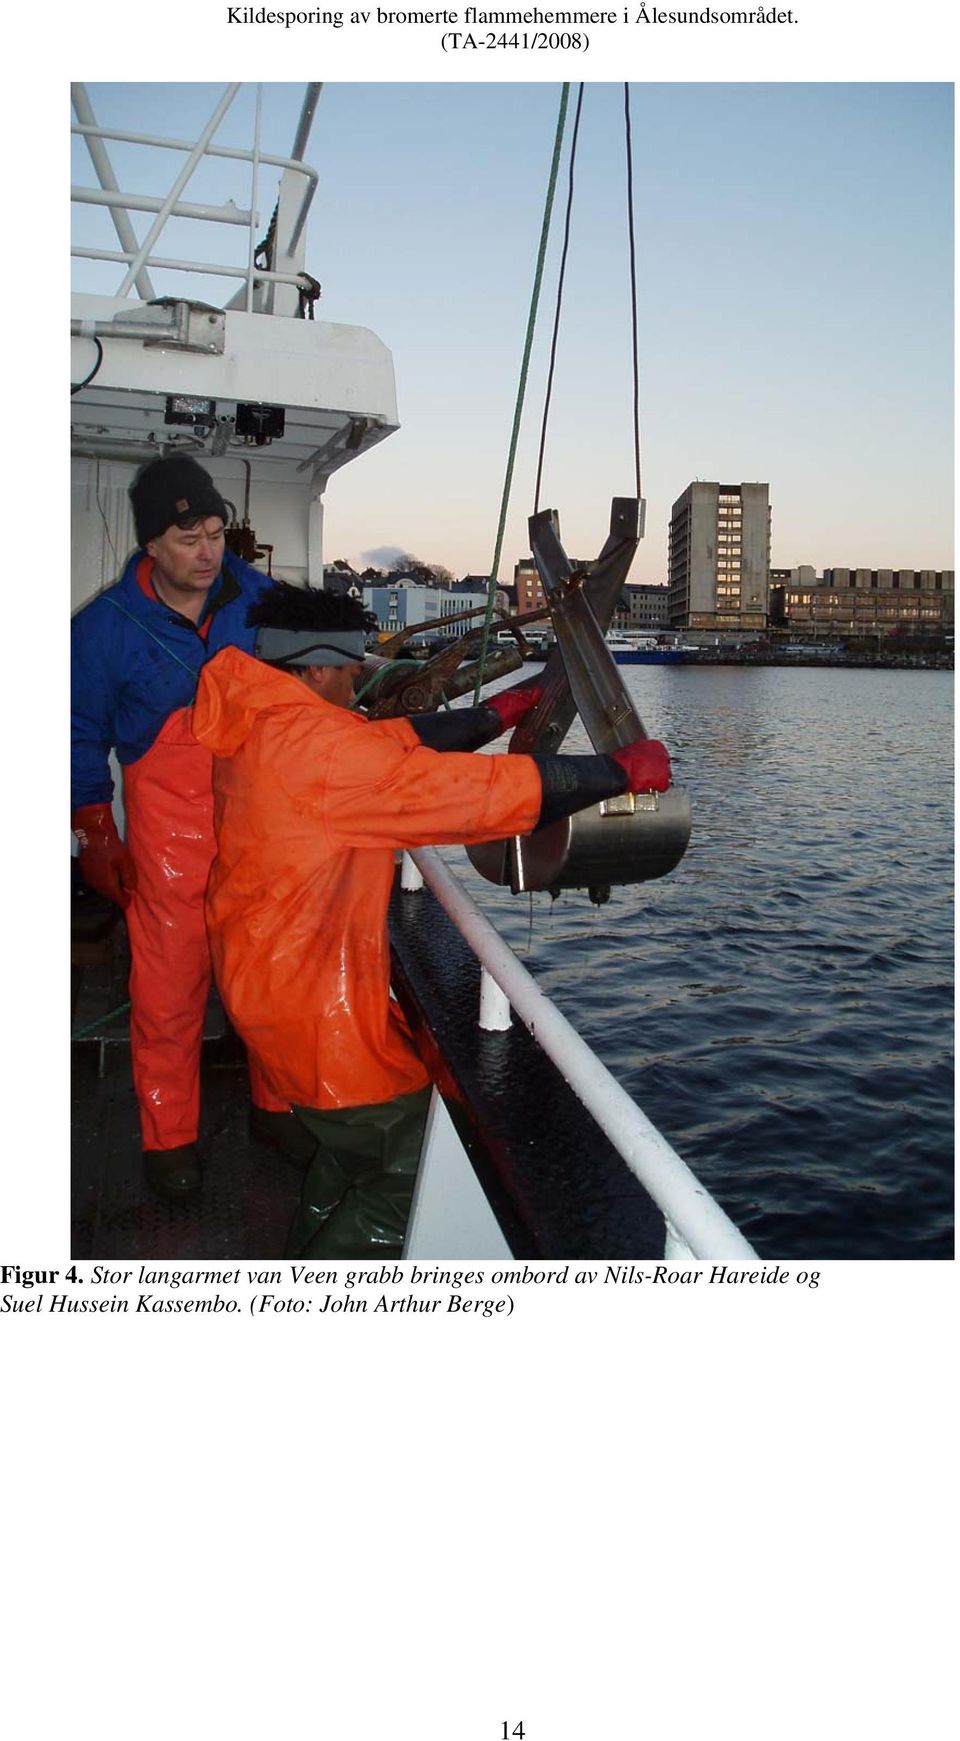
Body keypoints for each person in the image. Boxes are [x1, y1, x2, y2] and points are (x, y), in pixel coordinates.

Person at [192, 581, 673, 1260]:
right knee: (404, 1169)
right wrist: (615, 773)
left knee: (354, 1148)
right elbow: (472, 794)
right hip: (313, 1018)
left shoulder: (266, 720)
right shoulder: (320, 753)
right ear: (318, 667)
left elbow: (387, 740)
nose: (362, 672)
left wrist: (493, 716)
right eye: (351, 663)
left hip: (267, 981)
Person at [71, 454, 313, 1203]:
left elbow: (321, 663)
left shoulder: (261, 598)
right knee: (168, 995)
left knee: (267, 981)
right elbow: (76, 733)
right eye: (189, 539)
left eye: (215, 533)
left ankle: (277, 1109)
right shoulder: (101, 629)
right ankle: (168, 1138)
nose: (209, 552)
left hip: (258, 829)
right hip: (166, 843)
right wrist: (95, 832)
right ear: (152, 545)